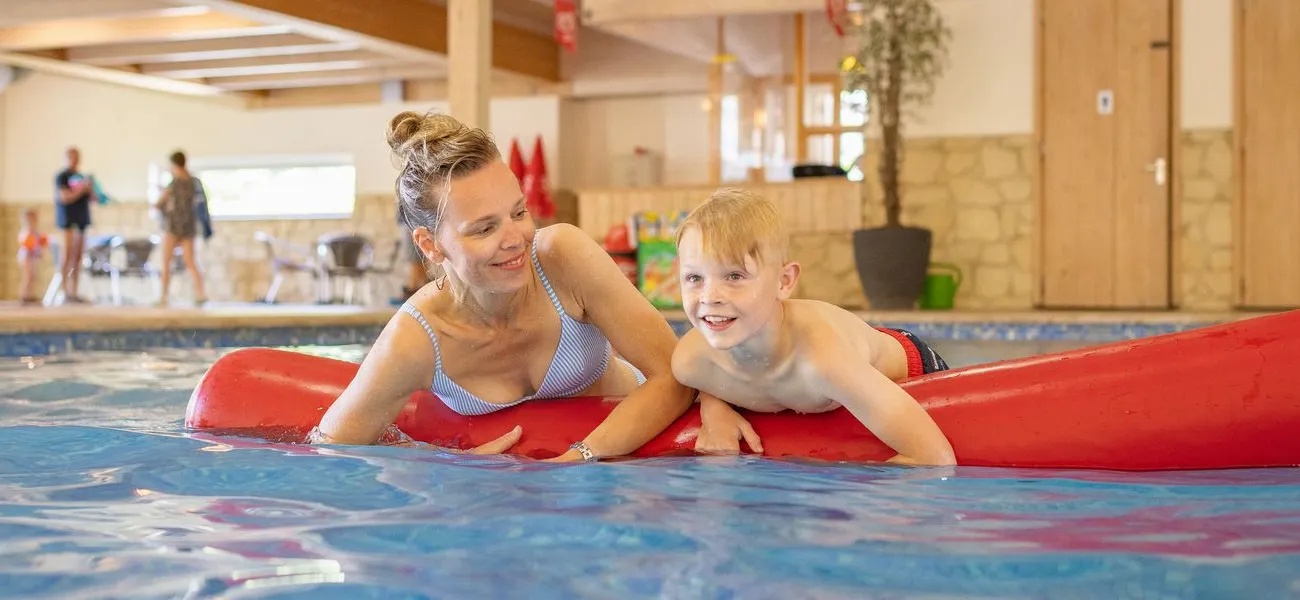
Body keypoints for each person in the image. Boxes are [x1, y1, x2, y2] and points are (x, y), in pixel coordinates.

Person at [308, 111, 696, 461]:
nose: (516, 238)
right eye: (484, 228)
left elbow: (673, 376)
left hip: (632, 455)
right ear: (431, 245)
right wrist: (437, 459)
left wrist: (580, 458)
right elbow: (328, 446)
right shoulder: (416, 339)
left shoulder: (563, 258)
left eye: (519, 212)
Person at [669, 188, 956, 466]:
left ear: (784, 282)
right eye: (694, 278)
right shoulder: (691, 363)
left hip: (913, 370)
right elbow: (707, 382)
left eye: (734, 275)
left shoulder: (821, 360)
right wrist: (713, 407)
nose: (710, 297)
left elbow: (935, 459)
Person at [153, 150, 208, 306]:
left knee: (166, 262)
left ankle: (163, 297)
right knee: (191, 261)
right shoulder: (194, 182)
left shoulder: (174, 183)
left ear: (174, 164)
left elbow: (159, 203)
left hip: (173, 226)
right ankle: (200, 294)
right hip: (188, 226)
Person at [53, 146, 93, 303]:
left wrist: (90, 189)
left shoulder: (82, 177)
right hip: (67, 222)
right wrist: (81, 190)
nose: (74, 160)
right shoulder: (62, 177)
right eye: (71, 157)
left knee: (78, 258)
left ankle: (74, 292)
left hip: (81, 221)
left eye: (77, 156)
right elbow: (64, 197)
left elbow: (92, 198)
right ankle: (64, 292)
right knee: (66, 256)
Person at [16, 209, 48, 306]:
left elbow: (38, 244)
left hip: (32, 257)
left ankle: (30, 295)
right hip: (26, 256)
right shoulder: (26, 232)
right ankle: (24, 296)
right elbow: (26, 244)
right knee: (28, 276)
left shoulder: (35, 232)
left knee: (33, 276)